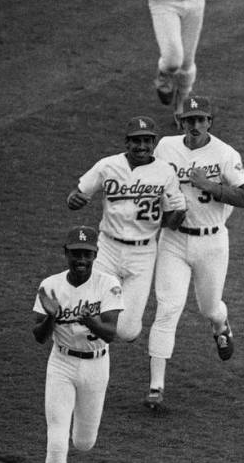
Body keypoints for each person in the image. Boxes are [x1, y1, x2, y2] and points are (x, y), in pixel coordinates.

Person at [145, 95, 244, 410]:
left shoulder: (224, 153)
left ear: (210, 122)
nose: (194, 125)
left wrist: (209, 186)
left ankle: (221, 324)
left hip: (211, 242)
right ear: (180, 122)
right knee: (167, 309)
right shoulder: (165, 147)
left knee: (208, 308)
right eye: (189, 119)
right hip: (174, 240)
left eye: (200, 119)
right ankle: (156, 386)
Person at [33, 226, 124, 463]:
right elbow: (39, 336)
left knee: (83, 443)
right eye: (76, 253)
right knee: (56, 443)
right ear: (66, 253)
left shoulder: (108, 284)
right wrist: (50, 318)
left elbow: (111, 333)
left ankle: (73, 450)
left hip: (97, 366)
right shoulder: (50, 286)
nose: (81, 259)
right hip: (61, 365)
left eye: (86, 253)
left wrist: (90, 321)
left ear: (95, 255)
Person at [66, 116, 186, 344]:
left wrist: (180, 211)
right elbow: (78, 192)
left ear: (154, 143)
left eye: (147, 141)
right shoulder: (108, 165)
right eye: (136, 140)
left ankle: (101, 330)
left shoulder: (165, 173)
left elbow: (171, 223)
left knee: (127, 332)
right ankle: (88, 352)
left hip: (142, 254)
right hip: (107, 248)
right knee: (83, 310)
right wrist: (73, 200)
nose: (141, 146)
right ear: (126, 142)